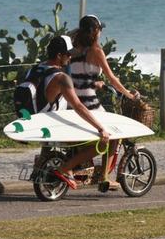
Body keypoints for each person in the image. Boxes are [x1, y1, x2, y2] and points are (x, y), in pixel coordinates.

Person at [69, 14, 139, 190]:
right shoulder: (96, 51)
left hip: (72, 101)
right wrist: (129, 95)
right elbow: (113, 78)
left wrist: (96, 83)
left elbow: (79, 77)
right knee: (114, 136)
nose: (100, 33)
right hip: (89, 104)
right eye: (100, 29)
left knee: (97, 137)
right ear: (95, 31)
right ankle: (105, 177)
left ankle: (90, 170)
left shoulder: (73, 49)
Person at [36, 35, 111, 190]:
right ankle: (65, 169)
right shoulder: (61, 77)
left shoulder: (38, 68)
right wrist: (100, 128)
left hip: (37, 120)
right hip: (54, 125)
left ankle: (50, 165)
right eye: (68, 54)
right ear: (59, 56)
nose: (70, 57)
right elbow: (78, 106)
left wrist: (94, 84)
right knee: (102, 142)